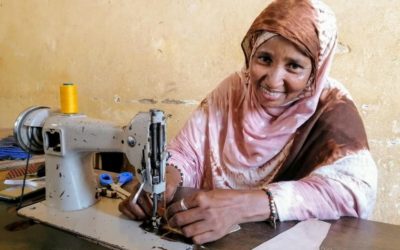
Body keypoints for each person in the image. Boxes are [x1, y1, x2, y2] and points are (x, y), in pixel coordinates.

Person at [119, 0, 377, 244]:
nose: (273, 80)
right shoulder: (234, 90)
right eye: (264, 58)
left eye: (294, 66)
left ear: (316, 71)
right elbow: (189, 152)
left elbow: (352, 192)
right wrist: (165, 180)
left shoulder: (332, 107)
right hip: (213, 235)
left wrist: (244, 205)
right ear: (251, 54)